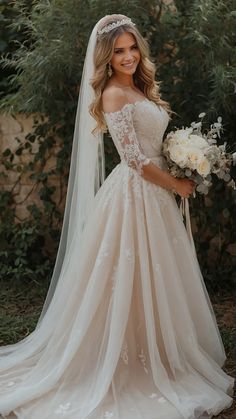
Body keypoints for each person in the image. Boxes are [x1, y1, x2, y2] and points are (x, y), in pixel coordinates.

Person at [0, 14, 234, 419]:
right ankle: (120, 359)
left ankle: (161, 350)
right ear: (106, 58)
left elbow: (154, 149)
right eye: (119, 51)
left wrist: (182, 157)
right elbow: (136, 160)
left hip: (155, 195)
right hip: (136, 194)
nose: (127, 56)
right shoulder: (112, 94)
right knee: (126, 273)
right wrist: (177, 184)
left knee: (158, 274)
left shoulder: (140, 88)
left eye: (132, 48)